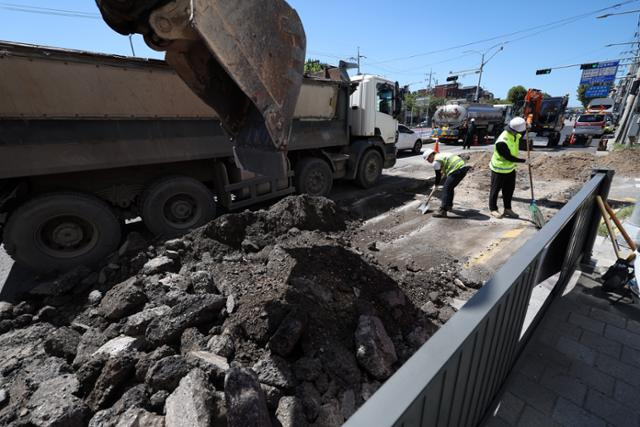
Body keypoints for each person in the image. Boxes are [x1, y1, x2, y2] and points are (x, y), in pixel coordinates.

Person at [489, 117, 527, 219]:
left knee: (509, 190)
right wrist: (524, 161)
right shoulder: (502, 141)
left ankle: (507, 209)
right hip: (498, 168)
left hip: (510, 168)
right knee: (495, 190)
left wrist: (528, 125)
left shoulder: (515, 134)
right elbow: (508, 157)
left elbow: (522, 133)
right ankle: (493, 209)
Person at [423, 150, 471, 218]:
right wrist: (444, 172)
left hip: (457, 170)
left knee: (446, 189)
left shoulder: (435, 162)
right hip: (462, 168)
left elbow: (438, 176)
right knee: (449, 188)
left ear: (431, 156)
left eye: (428, 159)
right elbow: (445, 167)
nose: (428, 161)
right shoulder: (441, 155)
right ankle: (448, 206)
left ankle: (442, 210)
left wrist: (436, 185)